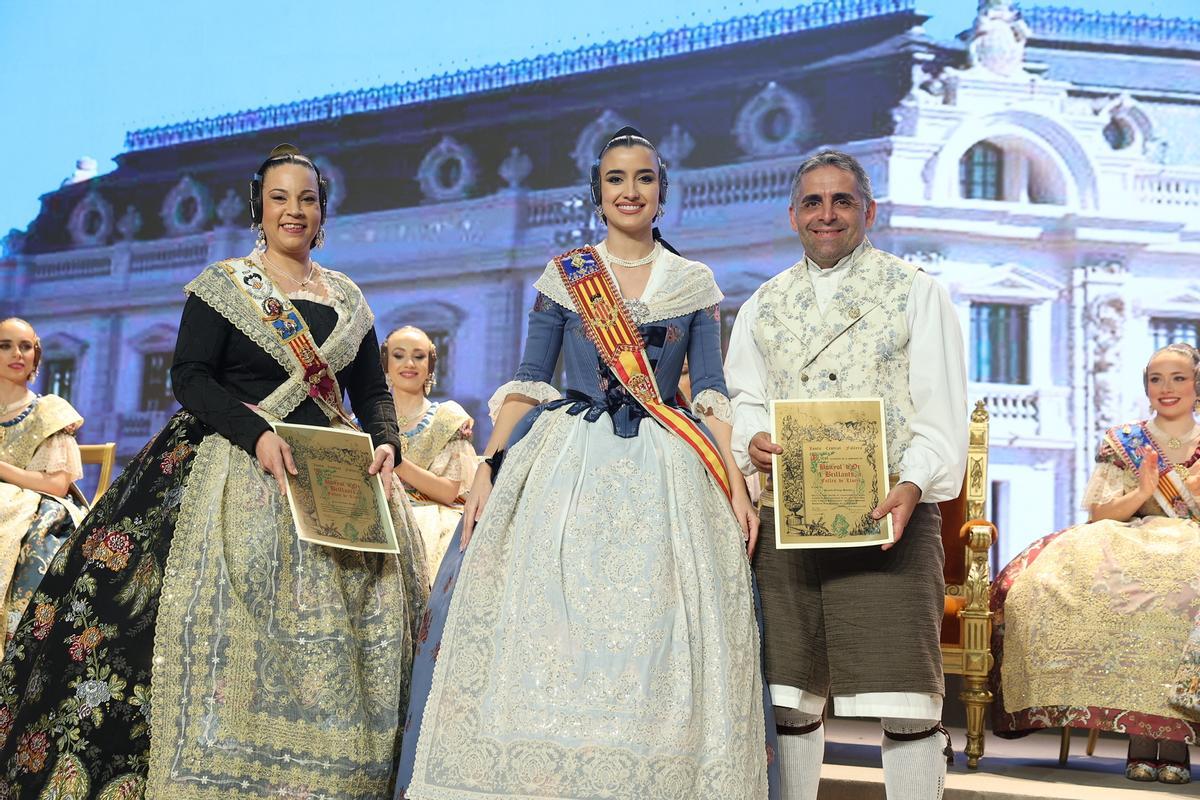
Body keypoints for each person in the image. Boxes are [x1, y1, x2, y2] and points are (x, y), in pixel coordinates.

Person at [0, 144, 427, 799]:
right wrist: (254, 432)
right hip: (231, 459)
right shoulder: (226, 284)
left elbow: (369, 389)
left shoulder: (348, 297)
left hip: (332, 472)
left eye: (307, 199)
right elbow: (189, 377)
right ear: (259, 207)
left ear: (322, 212)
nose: (294, 210)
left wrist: (388, 440)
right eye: (280, 197)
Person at [396, 127, 772, 799]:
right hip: (564, 463)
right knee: (545, 631)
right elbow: (530, 377)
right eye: (616, 179)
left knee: (660, 638)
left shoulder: (693, 283)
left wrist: (737, 483)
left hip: (669, 472)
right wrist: (488, 465)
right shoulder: (566, 276)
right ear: (597, 193)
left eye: (644, 178)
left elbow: (709, 391)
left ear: (662, 191)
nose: (631, 191)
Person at [727, 149, 968, 800]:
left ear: (870, 210)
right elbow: (742, 397)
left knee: (909, 705)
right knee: (788, 700)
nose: (826, 214)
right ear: (792, 215)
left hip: (888, 516)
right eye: (813, 202)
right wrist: (751, 435)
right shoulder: (762, 305)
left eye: (842, 201)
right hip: (789, 522)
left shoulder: (917, 292)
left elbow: (940, 414)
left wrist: (913, 482)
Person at [993, 343, 1200, 785]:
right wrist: (1142, 492)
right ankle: (1140, 739)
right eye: (1156, 379)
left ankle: (1175, 740)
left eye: (1178, 378)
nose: (1167, 388)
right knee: (1060, 585)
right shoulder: (1123, 440)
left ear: (1197, 386)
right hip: (1131, 534)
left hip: (1192, 543)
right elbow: (1101, 514)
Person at [0, 318, 86, 653]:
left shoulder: (49, 412)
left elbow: (58, 484)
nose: (16, 353)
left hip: (37, 506)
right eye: (5, 345)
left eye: (25, 346)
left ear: (36, 356)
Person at [382, 325, 477, 577]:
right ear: (385, 364)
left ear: (430, 365)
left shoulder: (448, 418)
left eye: (419, 356)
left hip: (431, 520)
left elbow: (448, 491)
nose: (409, 363)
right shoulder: (362, 422)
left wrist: (395, 460)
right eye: (399, 355)